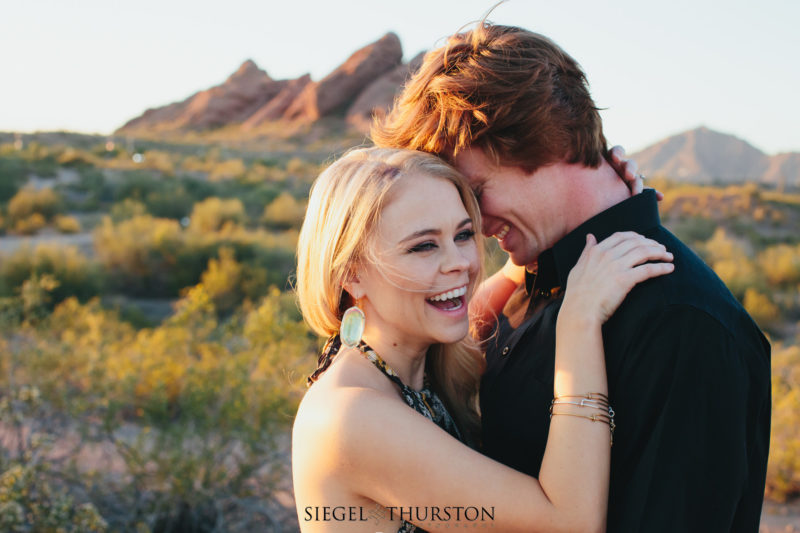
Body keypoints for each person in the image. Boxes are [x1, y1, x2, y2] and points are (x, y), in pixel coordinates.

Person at [372, 22, 771, 532]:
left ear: (543, 144)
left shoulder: (683, 324)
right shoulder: (524, 289)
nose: (469, 219)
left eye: (474, 190)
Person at [292, 147, 674, 532]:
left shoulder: (406, 362)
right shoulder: (352, 418)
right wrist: (579, 318)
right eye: (424, 245)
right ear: (352, 274)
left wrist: (599, 196)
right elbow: (569, 524)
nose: (460, 262)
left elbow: (486, 298)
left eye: (463, 234)